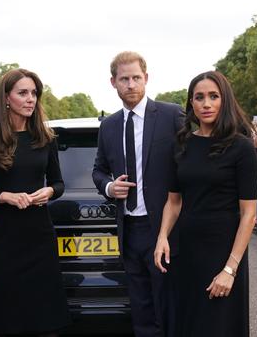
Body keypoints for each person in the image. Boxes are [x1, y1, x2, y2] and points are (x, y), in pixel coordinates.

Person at [0, 68, 70, 335]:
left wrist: (49, 193)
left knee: (45, 320)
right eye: (23, 93)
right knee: (10, 320)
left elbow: (58, 183)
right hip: (8, 237)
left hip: (40, 235)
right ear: (7, 98)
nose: (31, 99)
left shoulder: (46, 138)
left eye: (34, 93)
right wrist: (4, 196)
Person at [153, 71, 257, 336]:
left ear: (225, 101)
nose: (206, 104)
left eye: (213, 96)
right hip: (187, 251)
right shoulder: (181, 145)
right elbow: (174, 202)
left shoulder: (242, 147)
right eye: (199, 97)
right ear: (191, 104)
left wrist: (230, 269)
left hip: (224, 249)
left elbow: (248, 214)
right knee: (190, 323)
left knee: (220, 324)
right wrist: (162, 236)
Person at [92, 51, 183, 336]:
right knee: (141, 309)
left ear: (146, 78)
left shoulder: (171, 115)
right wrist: (109, 186)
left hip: (165, 230)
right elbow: (98, 170)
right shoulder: (108, 126)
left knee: (169, 306)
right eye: (124, 79)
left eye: (136, 78)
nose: (130, 84)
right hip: (129, 230)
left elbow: (192, 163)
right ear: (113, 82)